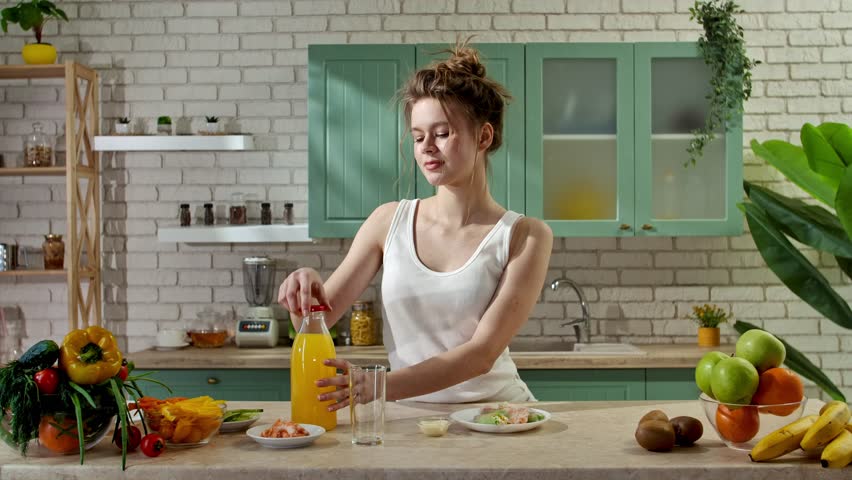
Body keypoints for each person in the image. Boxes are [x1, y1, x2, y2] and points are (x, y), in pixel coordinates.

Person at [278, 40, 553, 410]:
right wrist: (304, 288)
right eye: (418, 136)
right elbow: (312, 325)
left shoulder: (524, 236)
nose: (426, 148)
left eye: (441, 134)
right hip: (409, 420)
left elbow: (481, 354)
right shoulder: (388, 221)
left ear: (483, 137)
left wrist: (376, 384)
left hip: (498, 416)